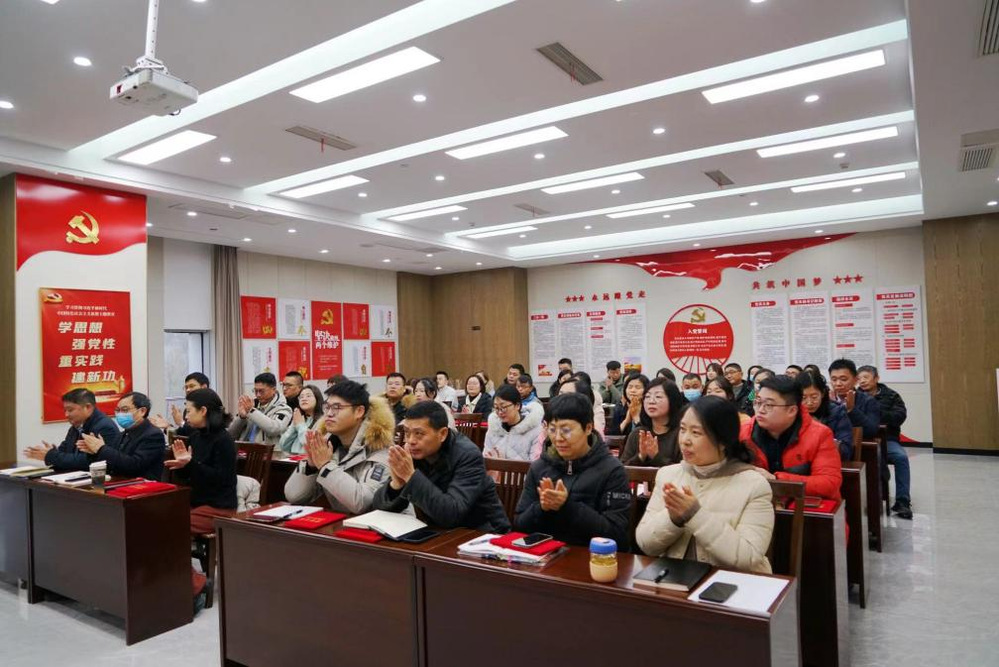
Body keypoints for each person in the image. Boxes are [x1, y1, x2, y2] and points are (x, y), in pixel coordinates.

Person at [636, 396, 775, 573]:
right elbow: (645, 544)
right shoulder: (668, 474)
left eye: (696, 433)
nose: (685, 440)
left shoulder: (754, 485)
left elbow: (749, 558)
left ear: (723, 441)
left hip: (731, 583)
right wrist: (672, 519)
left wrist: (695, 515)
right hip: (675, 579)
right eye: (682, 429)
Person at [514, 393, 631, 548]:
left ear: (588, 428)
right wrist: (542, 508)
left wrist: (567, 506)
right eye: (552, 429)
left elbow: (618, 536)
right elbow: (519, 525)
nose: (558, 438)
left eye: (566, 430)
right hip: (545, 555)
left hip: (590, 556)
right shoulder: (539, 467)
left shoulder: (612, 471)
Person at [372, 401, 510, 532]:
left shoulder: (468, 455)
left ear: (442, 434)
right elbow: (379, 507)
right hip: (439, 532)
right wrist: (396, 485)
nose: (411, 441)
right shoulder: (413, 452)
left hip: (483, 533)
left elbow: (451, 514)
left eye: (419, 434)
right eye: (407, 433)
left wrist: (410, 476)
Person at [164, 388, 238, 602]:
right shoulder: (196, 436)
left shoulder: (224, 440)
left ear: (203, 410)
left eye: (189, 411)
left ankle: (197, 583)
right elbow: (191, 476)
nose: (185, 416)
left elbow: (221, 479)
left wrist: (191, 464)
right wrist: (183, 466)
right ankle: (172, 581)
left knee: (170, 529)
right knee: (156, 521)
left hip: (219, 507)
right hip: (197, 502)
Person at [284, 381, 395, 514]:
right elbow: (294, 496)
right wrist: (310, 466)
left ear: (359, 411)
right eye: (327, 407)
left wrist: (325, 465)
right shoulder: (329, 445)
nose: (329, 414)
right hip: (347, 523)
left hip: (386, 525)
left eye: (337, 407)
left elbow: (362, 503)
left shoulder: (381, 448)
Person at [741, 376, 842, 501]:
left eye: (769, 405)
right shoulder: (743, 432)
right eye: (758, 402)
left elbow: (829, 484)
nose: (760, 410)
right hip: (757, 503)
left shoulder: (820, 434)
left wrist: (776, 480)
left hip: (802, 506)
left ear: (792, 410)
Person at [857, 365, 912, 519]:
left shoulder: (891, 395)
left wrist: (876, 413)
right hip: (863, 439)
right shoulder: (854, 396)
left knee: (901, 457)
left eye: (866, 377)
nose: (862, 381)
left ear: (876, 378)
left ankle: (902, 501)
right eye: (859, 378)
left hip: (887, 440)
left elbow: (900, 417)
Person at [23, 388, 121, 471]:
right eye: (65, 410)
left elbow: (90, 462)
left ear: (88, 407)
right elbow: (64, 452)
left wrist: (51, 456)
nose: (66, 415)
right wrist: (49, 453)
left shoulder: (105, 427)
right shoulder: (75, 427)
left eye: (70, 410)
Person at [75, 392, 166, 480]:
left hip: (143, 485)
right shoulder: (122, 434)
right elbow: (113, 463)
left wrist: (101, 449)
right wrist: (95, 453)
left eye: (125, 410)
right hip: (119, 482)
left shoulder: (153, 435)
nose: (120, 414)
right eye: (118, 410)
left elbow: (134, 466)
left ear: (142, 411)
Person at [620, 378, 683, 467]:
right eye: (647, 397)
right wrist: (641, 456)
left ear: (672, 400)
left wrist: (656, 457)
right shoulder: (637, 433)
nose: (651, 401)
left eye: (658, 397)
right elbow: (622, 469)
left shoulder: (681, 435)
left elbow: (686, 471)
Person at [797, 372, 852, 460]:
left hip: (827, 460)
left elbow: (846, 451)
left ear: (822, 393)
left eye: (814, 397)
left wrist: (822, 435)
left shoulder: (837, 412)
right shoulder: (792, 413)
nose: (809, 402)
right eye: (803, 398)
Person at [483, 384, 543, 461]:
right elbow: (486, 458)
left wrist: (502, 465)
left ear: (517, 405)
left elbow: (535, 464)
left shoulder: (535, 430)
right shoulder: (493, 428)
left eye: (503, 407)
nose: (500, 412)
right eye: (496, 408)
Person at [228, 373, 292, 445]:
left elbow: (274, 429)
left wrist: (251, 411)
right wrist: (241, 418)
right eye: (255, 391)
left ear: (273, 390)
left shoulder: (284, 409)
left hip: (268, 451)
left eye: (261, 391)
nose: (258, 395)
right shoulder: (252, 405)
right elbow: (231, 434)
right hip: (245, 449)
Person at [828, 359, 880, 441]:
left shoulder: (868, 400)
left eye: (843, 379)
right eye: (834, 380)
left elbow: (871, 431)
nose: (838, 384)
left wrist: (852, 410)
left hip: (860, 445)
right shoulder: (826, 400)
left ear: (855, 380)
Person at [278, 384, 325, 454]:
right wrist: (294, 425)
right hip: (293, 458)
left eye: (308, 396)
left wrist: (300, 425)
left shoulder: (323, 420)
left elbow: (312, 445)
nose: (304, 399)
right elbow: (283, 446)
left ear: (317, 398)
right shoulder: (300, 419)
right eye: (301, 397)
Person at [608, 373, 648, 437]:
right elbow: (611, 436)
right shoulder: (622, 408)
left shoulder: (649, 409)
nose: (633, 390)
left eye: (637, 387)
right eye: (630, 387)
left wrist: (636, 418)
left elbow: (647, 435)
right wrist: (626, 421)